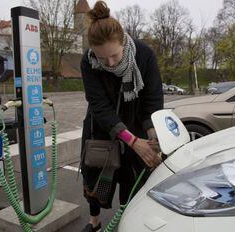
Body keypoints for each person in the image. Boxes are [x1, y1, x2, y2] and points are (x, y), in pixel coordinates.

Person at [80, 1, 163, 231]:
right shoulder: (88, 62)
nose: (110, 63)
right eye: (102, 57)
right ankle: (94, 221)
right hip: (101, 127)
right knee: (95, 178)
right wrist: (133, 142)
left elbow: (153, 100)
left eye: (115, 56)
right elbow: (99, 106)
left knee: (131, 179)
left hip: (135, 124)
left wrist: (152, 138)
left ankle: (126, 220)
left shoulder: (144, 55)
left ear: (124, 42)